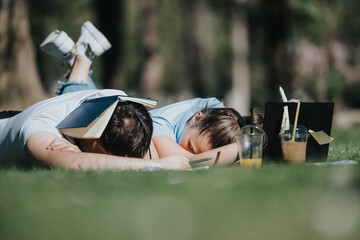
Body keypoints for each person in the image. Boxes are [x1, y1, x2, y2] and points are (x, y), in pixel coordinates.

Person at [41, 22, 264, 167]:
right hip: (96, 122)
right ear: (197, 117)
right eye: (188, 145)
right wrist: (242, 148)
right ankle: (81, 60)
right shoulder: (161, 125)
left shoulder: (221, 115)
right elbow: (195, 163)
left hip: (103, 111)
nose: (183, 149)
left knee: (89, 97)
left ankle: (78, 58)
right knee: (80, 106)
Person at [0, 21, 189, 171]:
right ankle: (80, 58)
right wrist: (157, 166)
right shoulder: (39, 131)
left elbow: (149, 149)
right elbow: (73, 164)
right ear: (97, 145)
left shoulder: (116, 99)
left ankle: (79, 59)